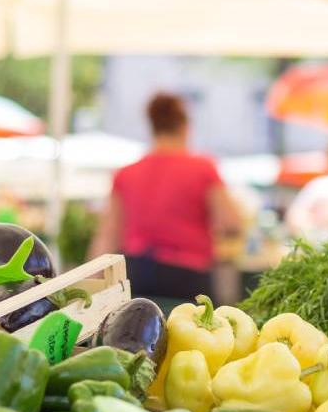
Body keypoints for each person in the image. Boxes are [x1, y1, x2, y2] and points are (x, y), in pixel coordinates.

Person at [88, 92, 239, 301]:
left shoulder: (126, 173)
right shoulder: (203, 169)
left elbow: (107, 235)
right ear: (185, 127)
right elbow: (231, 223)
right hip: (188, 275)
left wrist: (91, 285)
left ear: (152, 127)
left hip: (137, 272)